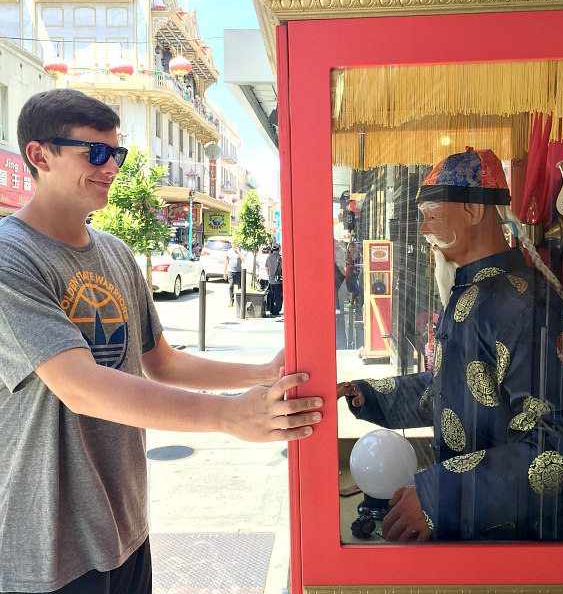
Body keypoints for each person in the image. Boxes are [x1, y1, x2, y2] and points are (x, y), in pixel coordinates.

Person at [0, 88, 323, 593]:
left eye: (118, 153)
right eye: (96, 153)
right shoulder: (11, 259)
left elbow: (161, 362)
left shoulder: (115, 253)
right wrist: (226, 415)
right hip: (49, 548)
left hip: (125, 527)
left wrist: (264, 372)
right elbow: (79, 385)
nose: (111, 167)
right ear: (40, 155)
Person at [339, 147, 563, 543]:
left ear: (472, 210)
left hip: (514, 542)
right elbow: (452, 388)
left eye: (430, 215)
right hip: (468, 530)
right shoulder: (476, 291)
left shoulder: (525, 305)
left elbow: (558, 447)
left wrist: (440, 495)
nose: (422, 230)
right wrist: (369, 395)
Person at [223, 240, 243, 307]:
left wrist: (238, 252)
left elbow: (243, 259)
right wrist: (224, 273)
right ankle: (231, 300)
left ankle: (240, 300)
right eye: (231, 243)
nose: (232, 244)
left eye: (234, 243)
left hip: (239, 271)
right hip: (231, 271)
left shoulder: (240, 250)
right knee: (231, 285)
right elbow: (226, 263)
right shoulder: (228, 252)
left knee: (240, 286)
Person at [265, 243, 283, 317]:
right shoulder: (280, 258)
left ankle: (271, 309)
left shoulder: (269, 257)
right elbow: (283, 267)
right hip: (278, 280)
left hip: (271, 279)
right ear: (279, 249)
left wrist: (269, 275)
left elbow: (266, 267)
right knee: (278, 295)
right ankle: (276, 310)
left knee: (272, 295)